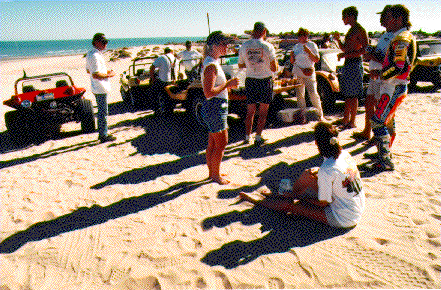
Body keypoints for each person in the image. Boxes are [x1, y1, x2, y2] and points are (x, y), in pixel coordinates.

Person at [240, 122, 365, 228]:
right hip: (355, 206)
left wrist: (301, 198)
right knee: (308, 176)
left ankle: (257, 200)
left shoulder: (327, 169)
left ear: (316, 143)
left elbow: (323, 203)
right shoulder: (344, 154)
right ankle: (286, 194)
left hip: (343, 217)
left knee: (293, 206)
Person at [366, 4, 416, 171]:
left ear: (398, 19)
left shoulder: (402, 38)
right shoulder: (402, 36)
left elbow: (398, 67)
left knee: (378, 122)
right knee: (387, 121)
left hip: (394, 87)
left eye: (388, 18)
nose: (385, 22)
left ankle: (386, 159)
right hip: (392, 86)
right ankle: (384, 152)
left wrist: (379, 75)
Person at [201, 31, 239, 184]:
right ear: (215, 46)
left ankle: (213, 173)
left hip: (214, 107)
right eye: (224, 44)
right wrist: (228, 84)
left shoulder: (211, 62)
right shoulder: (211, 65)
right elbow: (208, 92)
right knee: (222, 143)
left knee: (213, 143)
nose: (227, 47)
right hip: (215, 107)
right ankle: (215, 176)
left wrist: (225, 87)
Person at [352, 5, 395, 142]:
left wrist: (372, 56)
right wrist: (369, 50)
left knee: (382, 109)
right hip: (375, 76)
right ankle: (368, 131)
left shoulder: (395, 36)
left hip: (383, 77)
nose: (382, 20)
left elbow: (391, 61)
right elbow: (380, 53)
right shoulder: (385, 35)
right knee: (370, 102)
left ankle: (382, 139)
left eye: (386, 17)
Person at [238, 22, 278, 146]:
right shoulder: (268, 46)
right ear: (264, 31)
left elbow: (240, 65)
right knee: (263, 112)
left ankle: (246, 137)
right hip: (265, 80)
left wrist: (252, 64)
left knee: (250, 112)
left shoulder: (244, 46)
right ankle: (258, 137)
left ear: (253, 31)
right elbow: (275, 68)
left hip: (250, 80)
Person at [333, 6, 368, 130]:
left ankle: (352, 121)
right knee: (348, 94)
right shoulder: (351, 30)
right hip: (348, 63)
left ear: (351, 16)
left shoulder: (359, 30)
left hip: (355, 63)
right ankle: (346, 119)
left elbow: (365, 49)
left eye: (345, 16)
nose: (343, 19)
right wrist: (338, 41)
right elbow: (345, 49)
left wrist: (346, 54)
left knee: (353, 95)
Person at [85, 33, 116, 143]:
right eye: (103, 42)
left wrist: (104, 72)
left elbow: (89, 70)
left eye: (106, 42)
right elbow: (95, 74)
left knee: (102, 111)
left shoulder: (91, 53)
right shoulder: (95, 56)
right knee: (103, 112)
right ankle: (103, 135)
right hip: (100, 87)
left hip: (97, 87)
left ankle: (103, 133)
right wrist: (109, 75)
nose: (106, 44)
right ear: (97, 42)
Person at [290, 28, 324, 123]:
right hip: (298, 72)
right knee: (300, 95)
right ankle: (302, 116)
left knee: (313, 94)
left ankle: (320, 115)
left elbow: (316, 59)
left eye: (304, 35)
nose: (302, 37)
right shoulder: (296, 47)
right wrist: (291, 56)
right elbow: (292, 61)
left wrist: (309, 51)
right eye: (300, 35)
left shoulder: (312, 45)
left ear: (307, 36)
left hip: (309, 72)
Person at [149, 47, 176, 116]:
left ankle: (156, 109)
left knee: (153, 92)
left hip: (164, 81)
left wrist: (152, 79)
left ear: (165, 52)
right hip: (173, 80)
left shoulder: (162, 58)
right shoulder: (175, 58)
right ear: (171, 51)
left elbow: (152, 68)